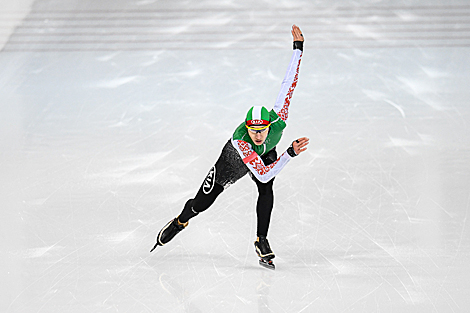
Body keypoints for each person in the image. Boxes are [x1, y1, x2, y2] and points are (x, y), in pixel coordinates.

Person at [151, 25, 309, 267]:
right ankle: (180, 221)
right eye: (253, 131)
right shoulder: (242, 142)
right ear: (247, 128)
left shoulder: (279, 119)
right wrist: (288, 154)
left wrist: (298, 49)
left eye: (262, 131)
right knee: (201, 203)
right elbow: (263, 171)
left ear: (270, 124)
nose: (257, 136)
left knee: (266, 189)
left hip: (265, 156)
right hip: (233, 162)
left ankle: (261, 240)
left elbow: (289, 83)